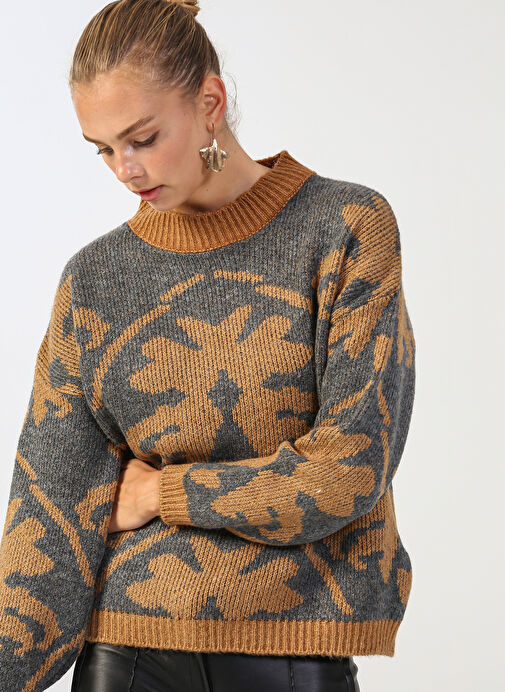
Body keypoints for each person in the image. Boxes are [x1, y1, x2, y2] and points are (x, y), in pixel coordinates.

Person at [0, 0, 416, 690]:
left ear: (210, 103)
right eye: (102, 148)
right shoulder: (94, 280)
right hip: (125, 656)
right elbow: (46, 528)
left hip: (292, 660)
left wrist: (165, 492)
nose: (124, 169)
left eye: (142, 138)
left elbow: (347, 472)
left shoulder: (345, 228)